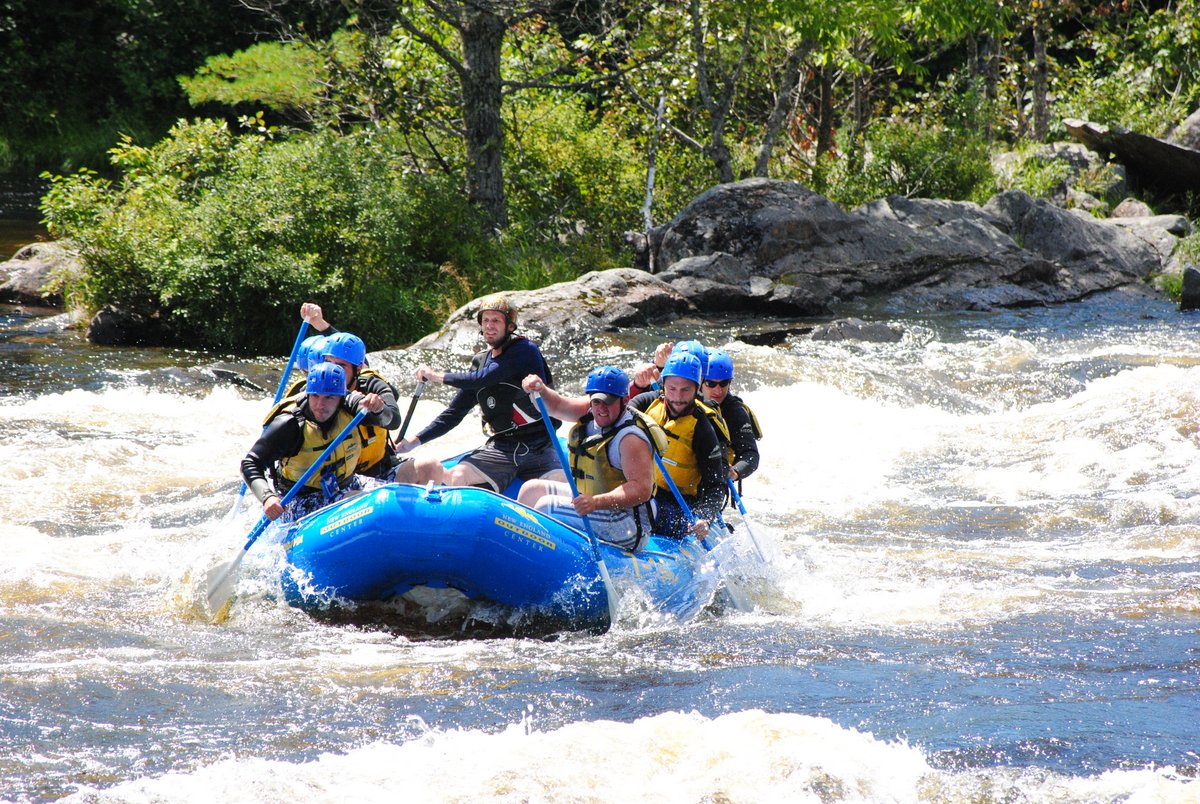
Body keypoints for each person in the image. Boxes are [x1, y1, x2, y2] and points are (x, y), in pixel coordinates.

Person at [395, 295, 562, 491]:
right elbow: (454, 413)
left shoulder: (525, 351)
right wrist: (413, 442)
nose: (490, 326)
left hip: (541, 447)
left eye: (496, 320)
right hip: (502, 449)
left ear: (510, 327)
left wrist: (435, 376)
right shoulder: (480, 363)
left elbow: (484, 378)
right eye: (486, 320)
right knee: (455, 477)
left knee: (564, 491)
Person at [517, 366, 666, 550]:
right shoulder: (591, 412)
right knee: (530, 490)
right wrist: (540, 389)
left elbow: (641, 489)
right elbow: (555, 405)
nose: (601, 408)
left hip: (628, 524)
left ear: (624, 400)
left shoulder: (630, 439)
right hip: (593, 502)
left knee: (545, 506)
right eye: (596, 401)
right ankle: (519, 550)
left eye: (608, 402)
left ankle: (539, 554)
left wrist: (595, 502)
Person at [298, 303, 442, 485]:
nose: (336, 371)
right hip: (344, 481)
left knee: (431, 466)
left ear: (358, 368)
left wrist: (379, 409)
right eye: (330, 364)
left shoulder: (370, 382)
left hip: (380, 469)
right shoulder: (315, 397)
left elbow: (393, 420)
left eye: (341, 366)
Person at [241, 363, 388, 522]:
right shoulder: (290, 424)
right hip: (300, 500)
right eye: (315, 396)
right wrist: (267, 497)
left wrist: (379, 408)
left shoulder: (352, 408)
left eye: (329, 397)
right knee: (372, 505)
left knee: (393, 494)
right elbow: (250, 463)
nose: (320, 405)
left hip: (348, 484)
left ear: (340, 397)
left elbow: (388, 420)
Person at [627, 351, 730, 540]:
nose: (677, 397)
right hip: (645, 490)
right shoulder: (648, 402)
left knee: (638, 506)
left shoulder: (703, 429)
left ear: (697, 388)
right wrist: (636, 384)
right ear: (663, 385)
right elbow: (618, 414)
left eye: (685, 390)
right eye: (672, 389)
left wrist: (705, 518)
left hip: (681, 507)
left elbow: (716, 485)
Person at [702, 348, 762, 485]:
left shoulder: (735, 411)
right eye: (711, 384)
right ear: (699, 382)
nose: (718, 390)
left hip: (715, 481)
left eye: (724, 383)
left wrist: (736, 472)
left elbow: (750, 454)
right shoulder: (684, 399)